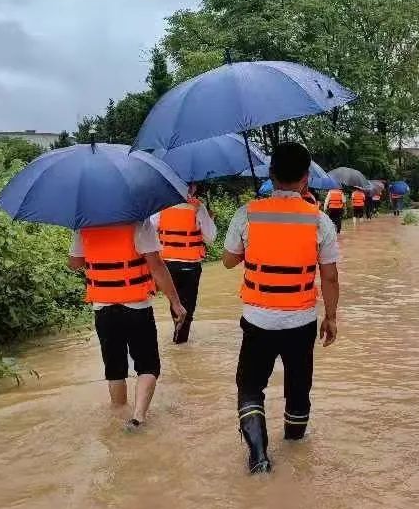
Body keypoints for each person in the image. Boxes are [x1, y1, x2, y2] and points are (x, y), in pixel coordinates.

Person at [223, 143, 340, 474]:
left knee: (249, 387)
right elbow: (330, 277)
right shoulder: (319, 221)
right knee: (298, 386)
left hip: (257, 318)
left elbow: (229, 261)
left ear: (271, 174)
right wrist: (330, 317)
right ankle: (296, 449)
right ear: (306, 179)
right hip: (301, 320)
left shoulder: (247, 213)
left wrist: (250, 247)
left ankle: (259, 456)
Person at [68, 221, 185, 431]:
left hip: (103, 306)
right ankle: (138, 417)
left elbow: (75, 262)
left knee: (115, 368)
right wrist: (175, 303)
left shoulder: (84, 224)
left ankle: (118, 412)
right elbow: (156, 265)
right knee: (148, 365)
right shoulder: (139, 222)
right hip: (136, 305)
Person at [151, 182, 217, 344]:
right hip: (190, 264)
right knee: (187, 306)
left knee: (175, 302)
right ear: (192, 187)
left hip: (166, 265)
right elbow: (210, 238)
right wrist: (210, 219)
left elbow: (151, 229)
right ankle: (180, 342)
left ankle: (177, 337)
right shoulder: (197, 207)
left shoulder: (161, 204)